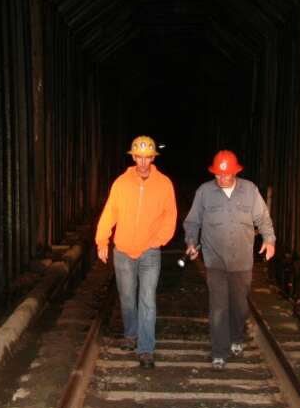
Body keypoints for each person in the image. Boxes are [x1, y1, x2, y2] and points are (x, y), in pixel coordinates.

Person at [183, 149, 275, 370]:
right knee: (218, 307)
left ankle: (236, 337)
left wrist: (269, 240)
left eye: (227, 174)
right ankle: (219, 352)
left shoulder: (249, 191)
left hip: (242, 262)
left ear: (236, 172)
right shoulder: (204, 192)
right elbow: (192, 221)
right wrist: (191, 243)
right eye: (218, 175)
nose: (222, 178)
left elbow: (262, 217)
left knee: (240, 306)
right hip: (215, 261)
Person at [95, 135, 177, 369]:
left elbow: (170, 217)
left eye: (147, 157)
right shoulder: (121, 183)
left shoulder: (164, 184)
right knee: (128, 297)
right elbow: (110, 212)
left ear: (153, 157)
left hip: (150, 252)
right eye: (138, 157)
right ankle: (131, 334)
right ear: (133, 157)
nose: (142, 162)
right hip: (122, 251)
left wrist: (157, 241)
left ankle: (146, 349)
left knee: (147, 299)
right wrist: (102, 240)